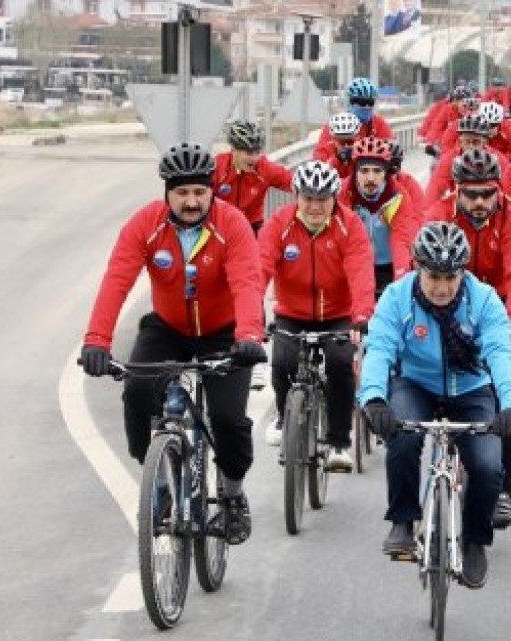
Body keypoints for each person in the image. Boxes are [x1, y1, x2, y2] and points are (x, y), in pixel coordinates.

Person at [80, 142, 267, 545]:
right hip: (168, 328)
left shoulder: (230, 224)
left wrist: (249, 336)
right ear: (167, 193)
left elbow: (247, 281)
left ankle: (233, 496)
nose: (191, 201)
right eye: (182, 193)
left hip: (225, 333)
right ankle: (157, 474)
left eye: (199, 192)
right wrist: (97, 340)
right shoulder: (145, 224)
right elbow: (117, 280)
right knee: (135, 391)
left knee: (228, 420)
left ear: (211, 191)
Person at [359, 222, 511, 590]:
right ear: (418, 267)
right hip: (416, 383)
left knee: (485, 465)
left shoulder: (483, 300)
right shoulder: (396, 298)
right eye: (433, 276)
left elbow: (500, 352)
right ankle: (402, 520)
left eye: (451, 277)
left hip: (471, 388)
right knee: (401, 438)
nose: (442, 287)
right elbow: (381, 348)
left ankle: (475, 542)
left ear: (463, 273)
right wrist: (373, 398)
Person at [424, 148, 511, 528]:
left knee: (509, 391)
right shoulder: (439, 214)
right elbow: (416, 272)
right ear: (457, 190)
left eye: (487, 193)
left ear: (498, 191)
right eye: (470, 194)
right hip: (446, 305)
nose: (478, 202)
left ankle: (503, 488)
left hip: (498, 308)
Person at [258, 161, 375, 467]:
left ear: (334, 198)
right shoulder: (279, 224)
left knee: (339, 365)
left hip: (338, 313)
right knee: (282, 362)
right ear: (296, 195)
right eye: (308, 198)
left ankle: (338, 442)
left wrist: (362, 315)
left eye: (322, 199)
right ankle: (285, 418)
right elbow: (259, 268)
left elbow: (361, 270)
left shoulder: (350, 225)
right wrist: (252, 311)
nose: (315, 206)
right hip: (291, 312)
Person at [338, 137, 422, 294]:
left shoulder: (398, 196)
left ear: (386, 172)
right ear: (355, 171)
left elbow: (401, 241)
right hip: (354, 264)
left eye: (377, 171)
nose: (370, 178)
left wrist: (401, 280)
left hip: (387, 266)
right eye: (364, 171)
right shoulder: (342, 193)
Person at [213, 120, 292, 233]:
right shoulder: (218, 167)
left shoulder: (263, 167)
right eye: (249, 153)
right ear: (234, 150)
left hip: (252, 226)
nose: (254, 159)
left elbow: (293, 181)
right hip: (221, 226)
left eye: (257, 152)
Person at [314, 78, 394, 159]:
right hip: (341, 168)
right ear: (350, 102)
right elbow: (320, 154)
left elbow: (390, 149)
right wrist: (338, 156)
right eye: (361, 102)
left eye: (370, 102)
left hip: (371, 168)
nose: (366, 107)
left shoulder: (379, 124)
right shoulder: (336, 124)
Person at [313, 112, 367, 181]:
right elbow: (318, 175)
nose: (346, 146)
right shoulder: (323, 151)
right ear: (333, 139)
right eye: (342, 142)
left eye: (350, 141)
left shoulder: (365, 150)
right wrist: (337, 159)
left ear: (358, 138)